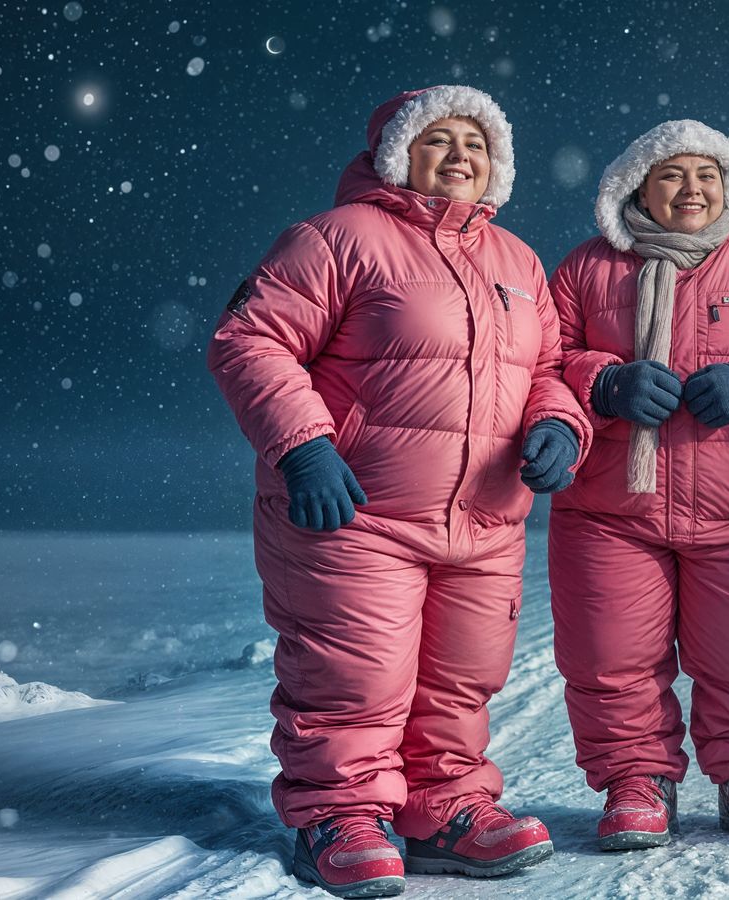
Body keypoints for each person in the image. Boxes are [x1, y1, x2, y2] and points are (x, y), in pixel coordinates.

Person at [207, 85, 590, 896]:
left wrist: (560, 426)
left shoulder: (518, 262)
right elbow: (251, 340)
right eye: (438, 140)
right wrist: (303, 447)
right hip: (355, 512)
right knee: (355, 672)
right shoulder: (336, 239)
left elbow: (550, 370)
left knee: (462, 676)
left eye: (477, 144)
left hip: (484, 520)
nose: (460, 157)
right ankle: (339, 815)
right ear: (396, 155)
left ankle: (442, 807)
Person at [546, 120, 729, 850]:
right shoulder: (586, 269)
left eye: (706, 174)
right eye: (672, 174)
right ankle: (636, 779)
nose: (692, 189)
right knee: (612, 657)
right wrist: (603, 383)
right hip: (610, 509)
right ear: (637, 186)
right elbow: (544, 362)